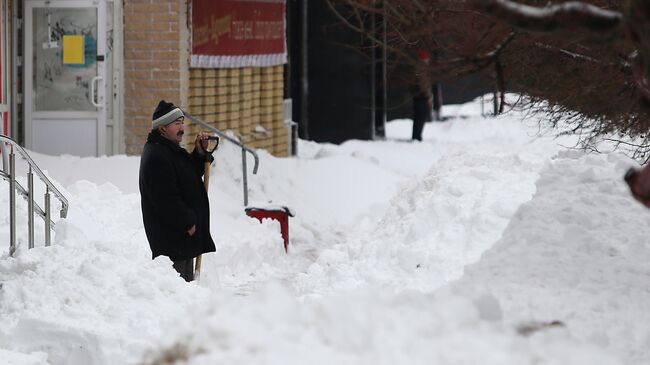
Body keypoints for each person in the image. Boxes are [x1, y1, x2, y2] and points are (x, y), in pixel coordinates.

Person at [139, 100, 216, 282]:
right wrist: (187, 222)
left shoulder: (168, 150)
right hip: (173, 240)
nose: (182, 128)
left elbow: (186, 178)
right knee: (177, 288)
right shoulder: (157, 156)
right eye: (176, 124)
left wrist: (198, 154)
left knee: (184, 290)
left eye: (182, 123)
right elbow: (166, 199)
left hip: (181, 238)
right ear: (162, 128)